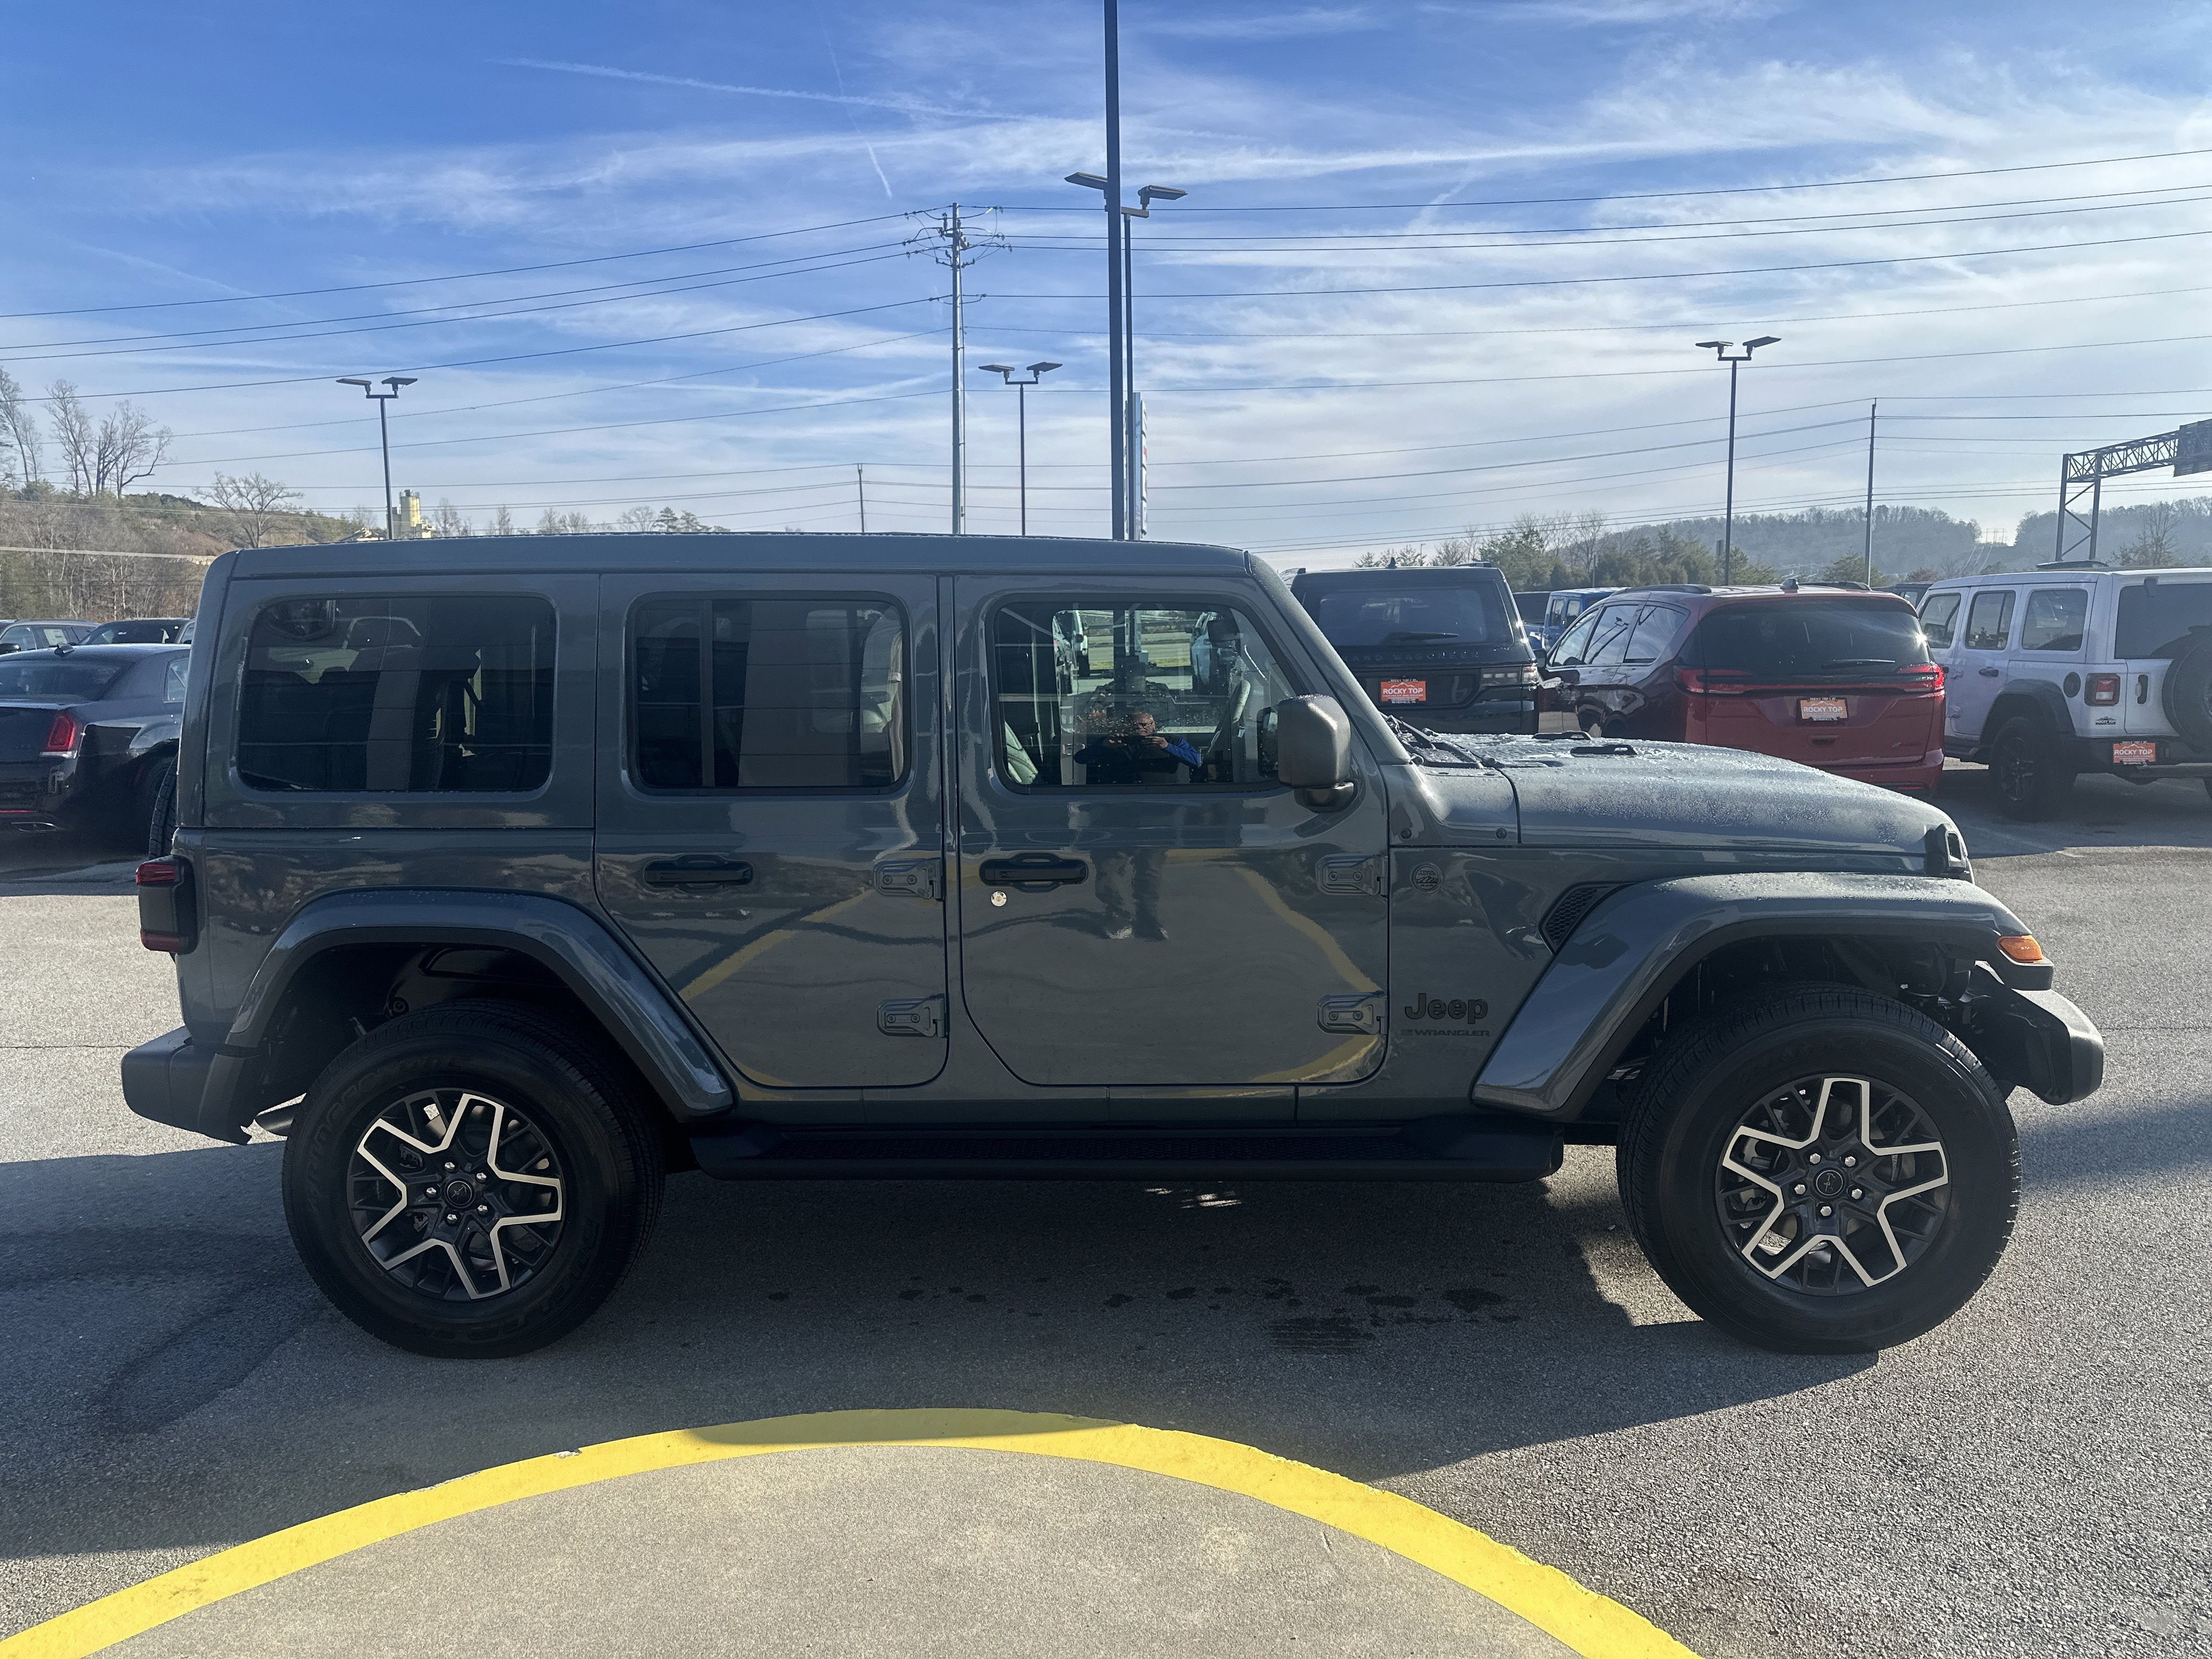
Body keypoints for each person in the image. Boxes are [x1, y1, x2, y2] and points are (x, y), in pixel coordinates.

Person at [1071, 708, 1200, 786]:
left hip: (1162, 795)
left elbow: (1197, 761)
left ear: (1153, 725)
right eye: (1133, 725)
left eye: (1144, 725)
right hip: (1119, 796)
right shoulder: (1112, 741)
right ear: (1124, 726)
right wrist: (1103, 747)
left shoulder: (1171, 741)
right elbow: (1080, 759)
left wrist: (1167, 747)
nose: (1139, 728)